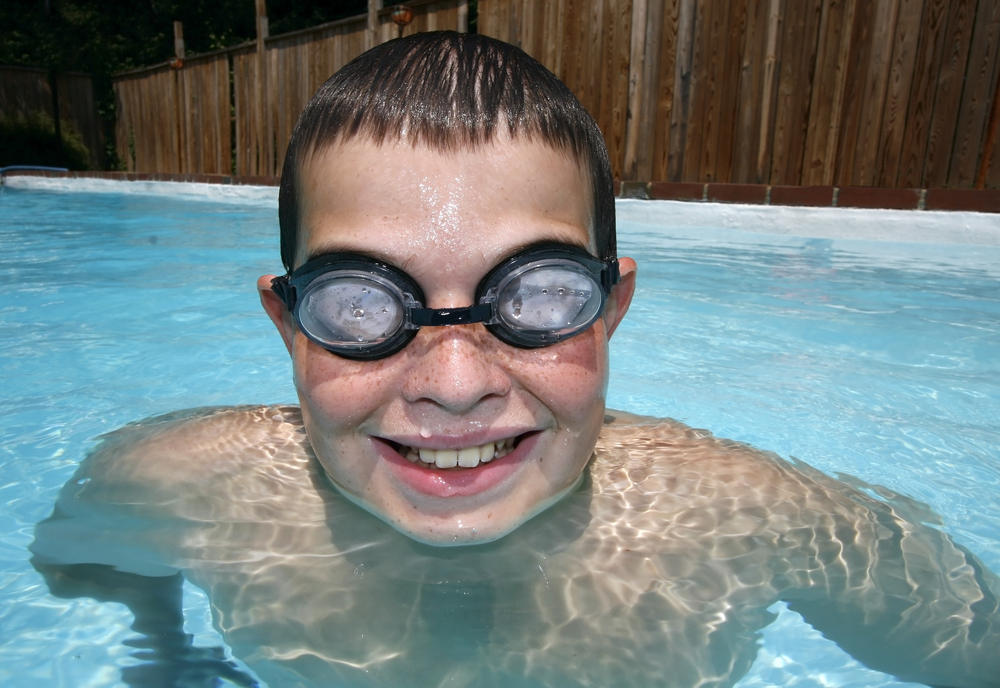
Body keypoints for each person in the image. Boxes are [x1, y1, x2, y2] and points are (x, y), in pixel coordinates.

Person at [31, 32, 1000, 688]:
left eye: (535, 295)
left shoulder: (769, 521)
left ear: (611, 306)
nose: (455, 384)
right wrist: (161, 655)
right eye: (361, 303)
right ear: (289, 322)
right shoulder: (165, 481)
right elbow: (90, 571)